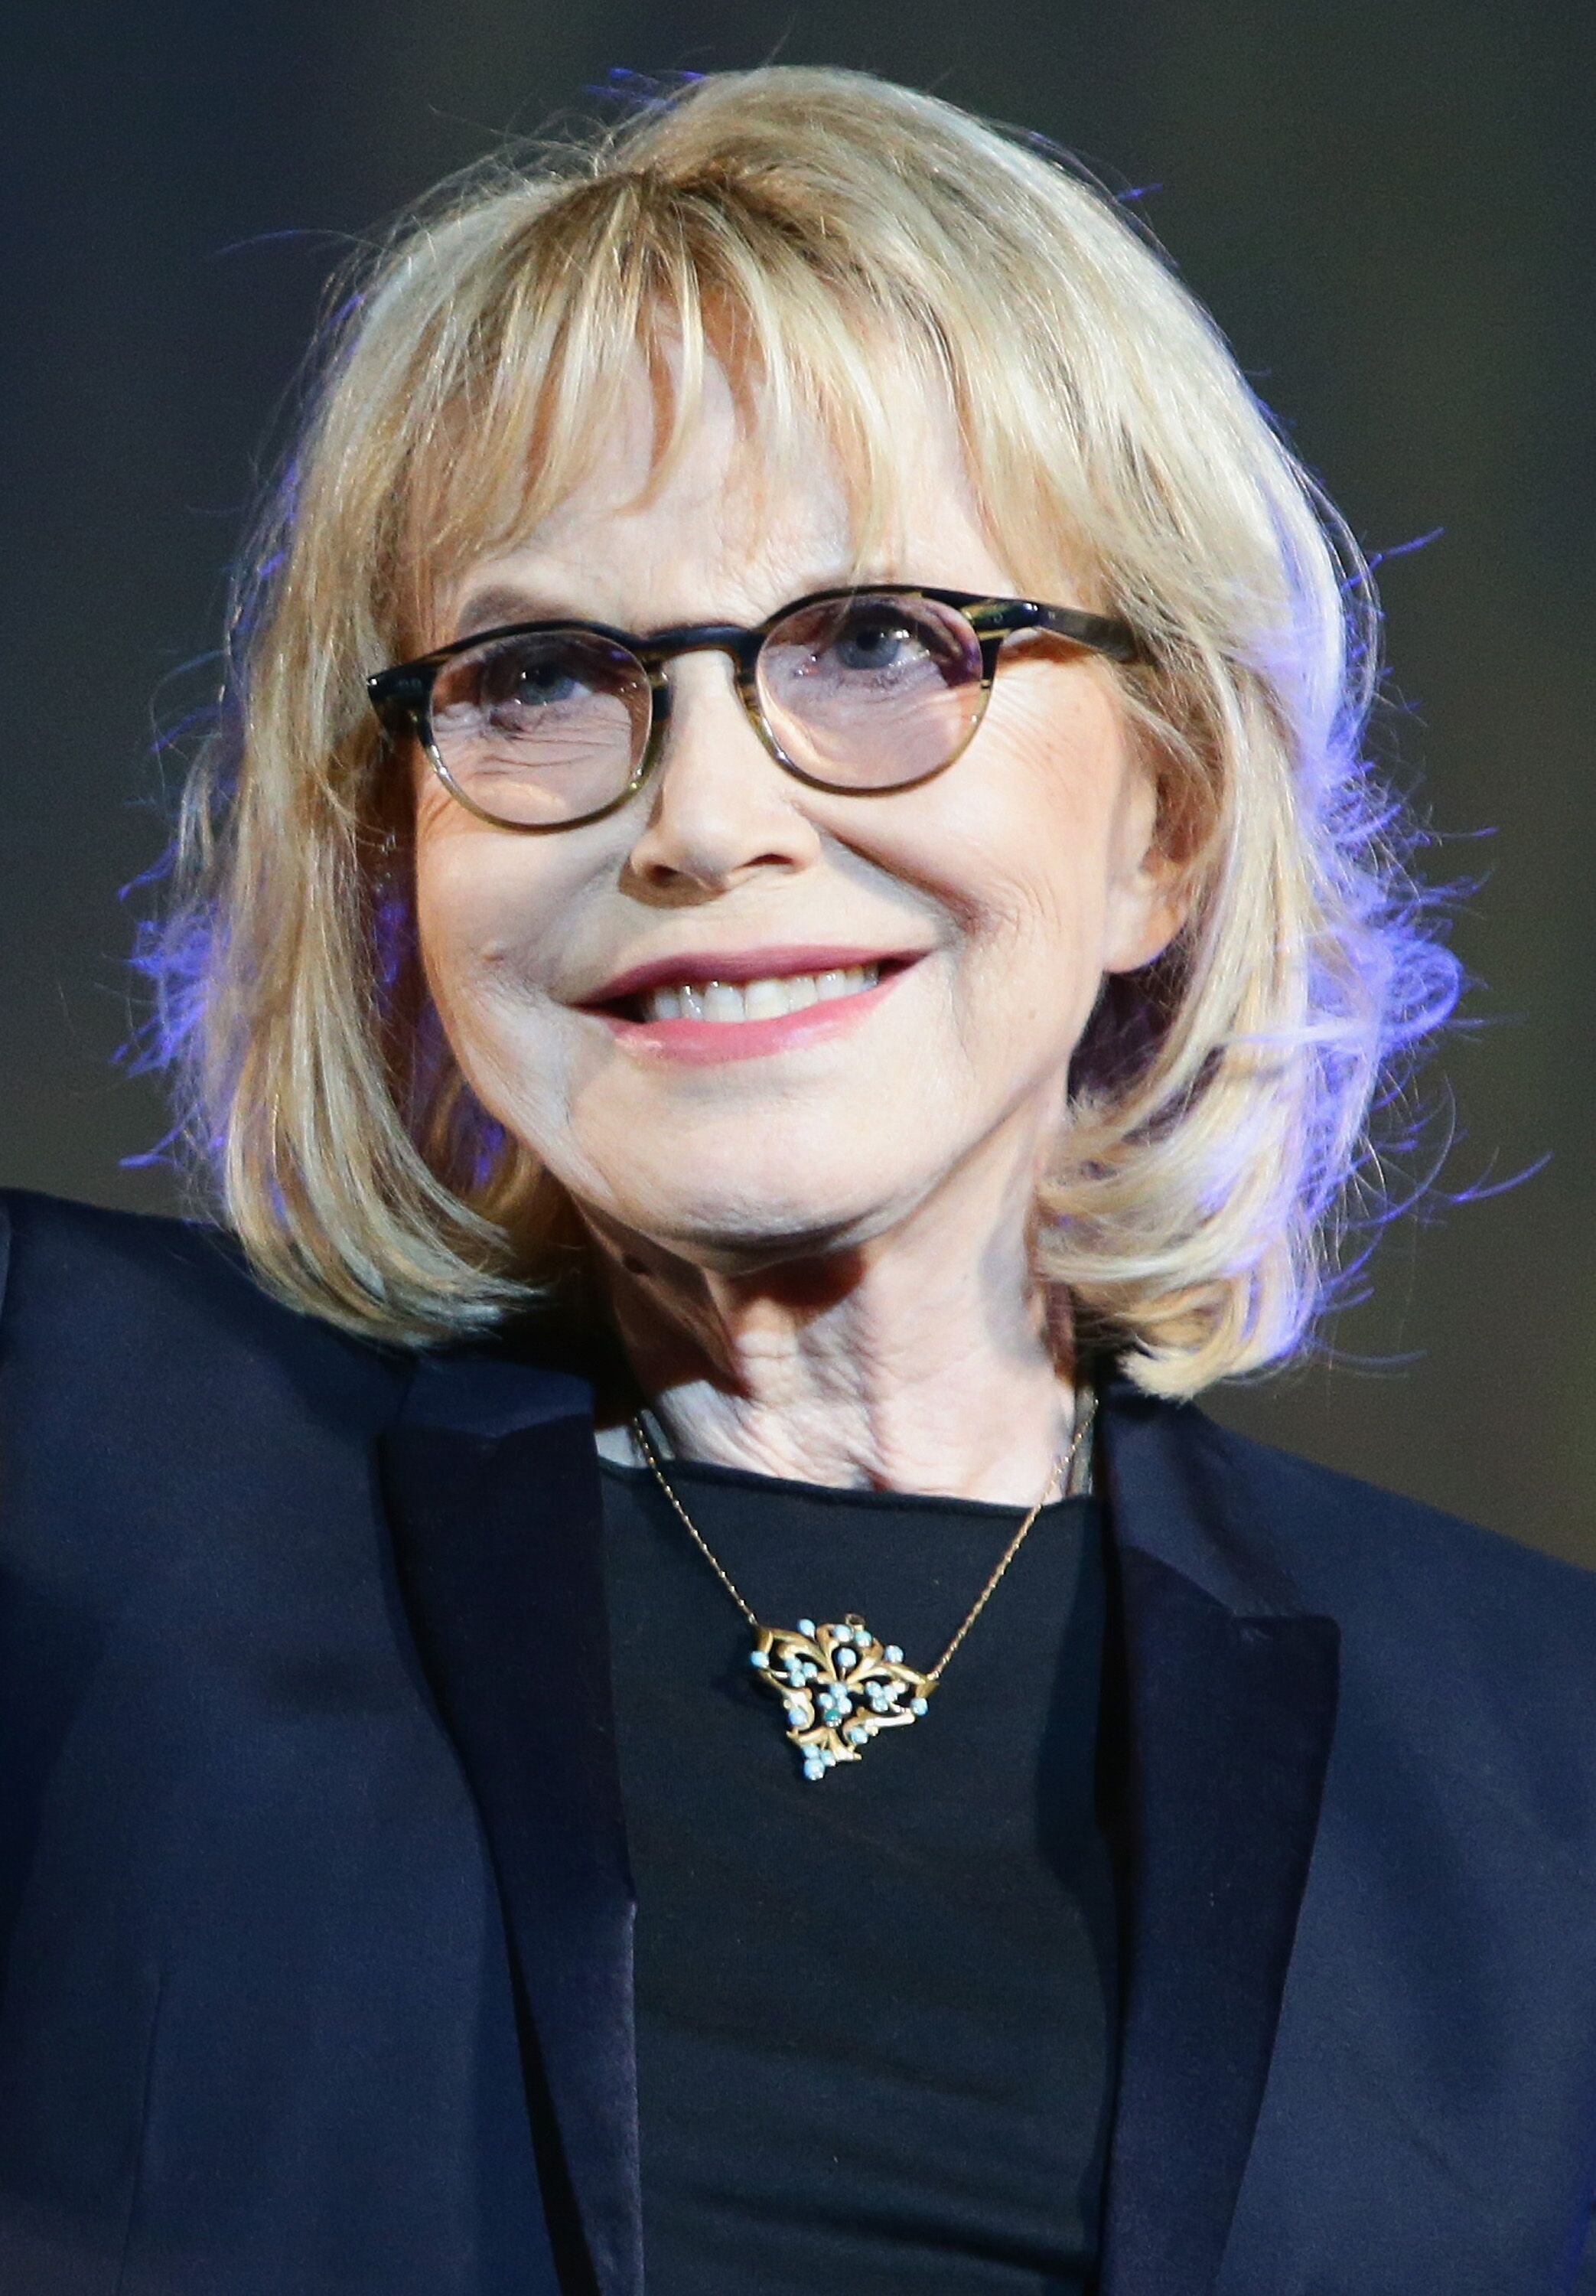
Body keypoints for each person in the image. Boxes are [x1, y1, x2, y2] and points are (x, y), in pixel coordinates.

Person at [1, 63, 1592, 2296]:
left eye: (876, 646)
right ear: (396, 855)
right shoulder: (66, 1470)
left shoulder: (1550, 1767)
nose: (702, 817)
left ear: (1165, 826)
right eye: (543, 676)